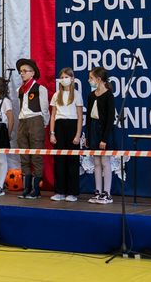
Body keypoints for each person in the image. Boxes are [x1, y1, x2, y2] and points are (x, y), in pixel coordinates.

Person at [16, 58, 50, 199]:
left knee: (36, 156)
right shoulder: (20, 90)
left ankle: (36, 189)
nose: (22, 73)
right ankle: (27, 188)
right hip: (22, 121)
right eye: (21, 71)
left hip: (35, 120)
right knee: (24, 155)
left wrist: (43, 124)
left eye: (25, 71)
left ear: (32, 72)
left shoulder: (40, 89)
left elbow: (45, 109)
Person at [49, 67, 83, 202]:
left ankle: (72, 192)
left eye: (66, 77)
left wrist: (78, 135)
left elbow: (80, 116)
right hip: (59, 127)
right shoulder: (56, 95)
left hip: (72, 126)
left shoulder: (77, 95)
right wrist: (52, 133)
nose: (64, 80)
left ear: (72, 79)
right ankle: (60, 191)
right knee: (59, 161)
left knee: (72, 161)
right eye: (62, 77)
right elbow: (53, 115)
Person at [85, 66, 116, 204]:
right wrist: (87, 135)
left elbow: (110, 119)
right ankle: (97, 191)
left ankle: (107, 193)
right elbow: (89, 117)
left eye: (91, 78)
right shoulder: (91, 96)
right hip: (93, 131)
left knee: (105, 161)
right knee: (96, 162)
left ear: (99, 79)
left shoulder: (109, 95)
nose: (89, 80)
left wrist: (104, 138)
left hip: (104, 132)